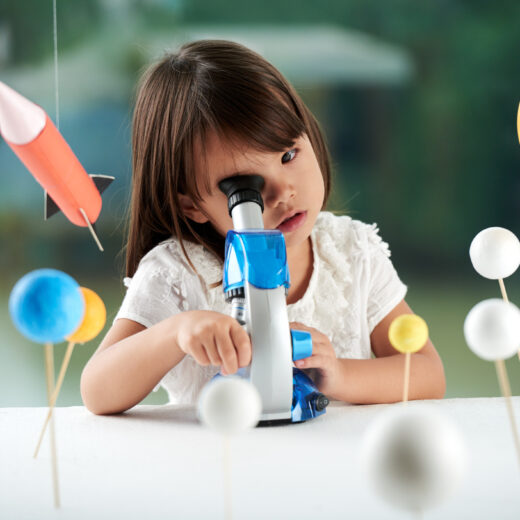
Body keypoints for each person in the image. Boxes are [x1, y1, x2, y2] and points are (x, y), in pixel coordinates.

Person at [81, 40, 445, 415]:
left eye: (289, 155)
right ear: (191, 204)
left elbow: (427, 373)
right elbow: (97, 391)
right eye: (245, 187)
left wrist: (340, 375)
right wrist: (176, 333)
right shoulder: (176, 272)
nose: (282, 191)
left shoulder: (351, 251)